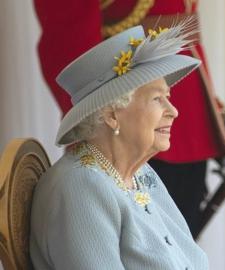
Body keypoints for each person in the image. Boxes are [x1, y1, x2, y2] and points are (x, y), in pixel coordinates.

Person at [33, 0, 225, 238]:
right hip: (125, 136)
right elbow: (68, 46)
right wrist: (100, 129)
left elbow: (184, 46)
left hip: (184, 135)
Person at [30, 22, 209, 269]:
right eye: (157, 99)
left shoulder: (140, 174)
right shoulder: (82, 188)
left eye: (168, 98)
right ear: (113, 114)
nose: (174, 111)